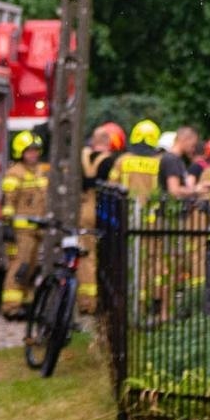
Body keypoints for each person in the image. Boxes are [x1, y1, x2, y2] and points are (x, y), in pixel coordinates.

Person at [0, 130, 48, 320]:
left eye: (36, 151)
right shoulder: (15, 173)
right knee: (19, 267)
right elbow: (8, 202)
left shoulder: (40, 172)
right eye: (29, 151)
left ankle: (26, 304)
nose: (33, 154)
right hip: (21, 231)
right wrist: (8, 226)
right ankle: (11, 307)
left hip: (37, 229)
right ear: (20, 152)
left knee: (32, 268)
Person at [76, 124, 124, 314]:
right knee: (105, 255)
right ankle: (101, 300)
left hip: (84, 207)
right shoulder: (110, 162)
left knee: (86, 255)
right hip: (103, 210)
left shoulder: (81, 158)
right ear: (107, 142)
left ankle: (86, 302)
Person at [112, 118, 162, 203]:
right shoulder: (161, 161)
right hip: (153, 212)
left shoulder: (122, 160)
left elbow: (111, 184)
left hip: (126, 210)